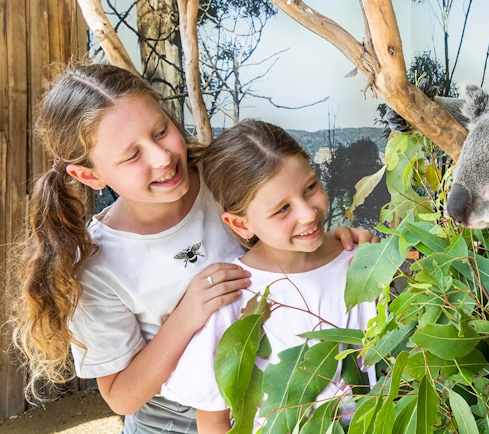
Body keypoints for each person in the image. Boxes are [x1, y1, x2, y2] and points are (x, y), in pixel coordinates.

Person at [9, 62, 376, 434]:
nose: (162, 157)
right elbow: (121, 398)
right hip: (173, 422)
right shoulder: (96, 265)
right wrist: (186, 318)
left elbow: (288, 238)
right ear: (90, 176)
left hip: (276, 405)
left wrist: (336, 247)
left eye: (161, 131)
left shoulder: (223, 182)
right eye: (132, 155)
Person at [160, 119, 377, 432]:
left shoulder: (361, 262)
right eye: (282, 209)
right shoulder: (231, 297)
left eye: (311, 187)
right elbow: (213, 418)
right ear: (241, 224)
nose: (307, 213)